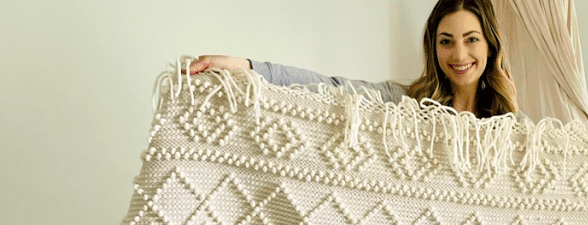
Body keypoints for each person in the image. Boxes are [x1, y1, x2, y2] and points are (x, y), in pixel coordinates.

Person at [188, 0, 521, 120]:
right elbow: (332, 88)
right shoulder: (408, 104)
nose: (459, 55)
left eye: (471, 40)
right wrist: (246, 66)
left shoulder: (511, 122)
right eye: (446, 42)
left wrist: (514, 116)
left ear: (490, 46)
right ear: (433, 49)